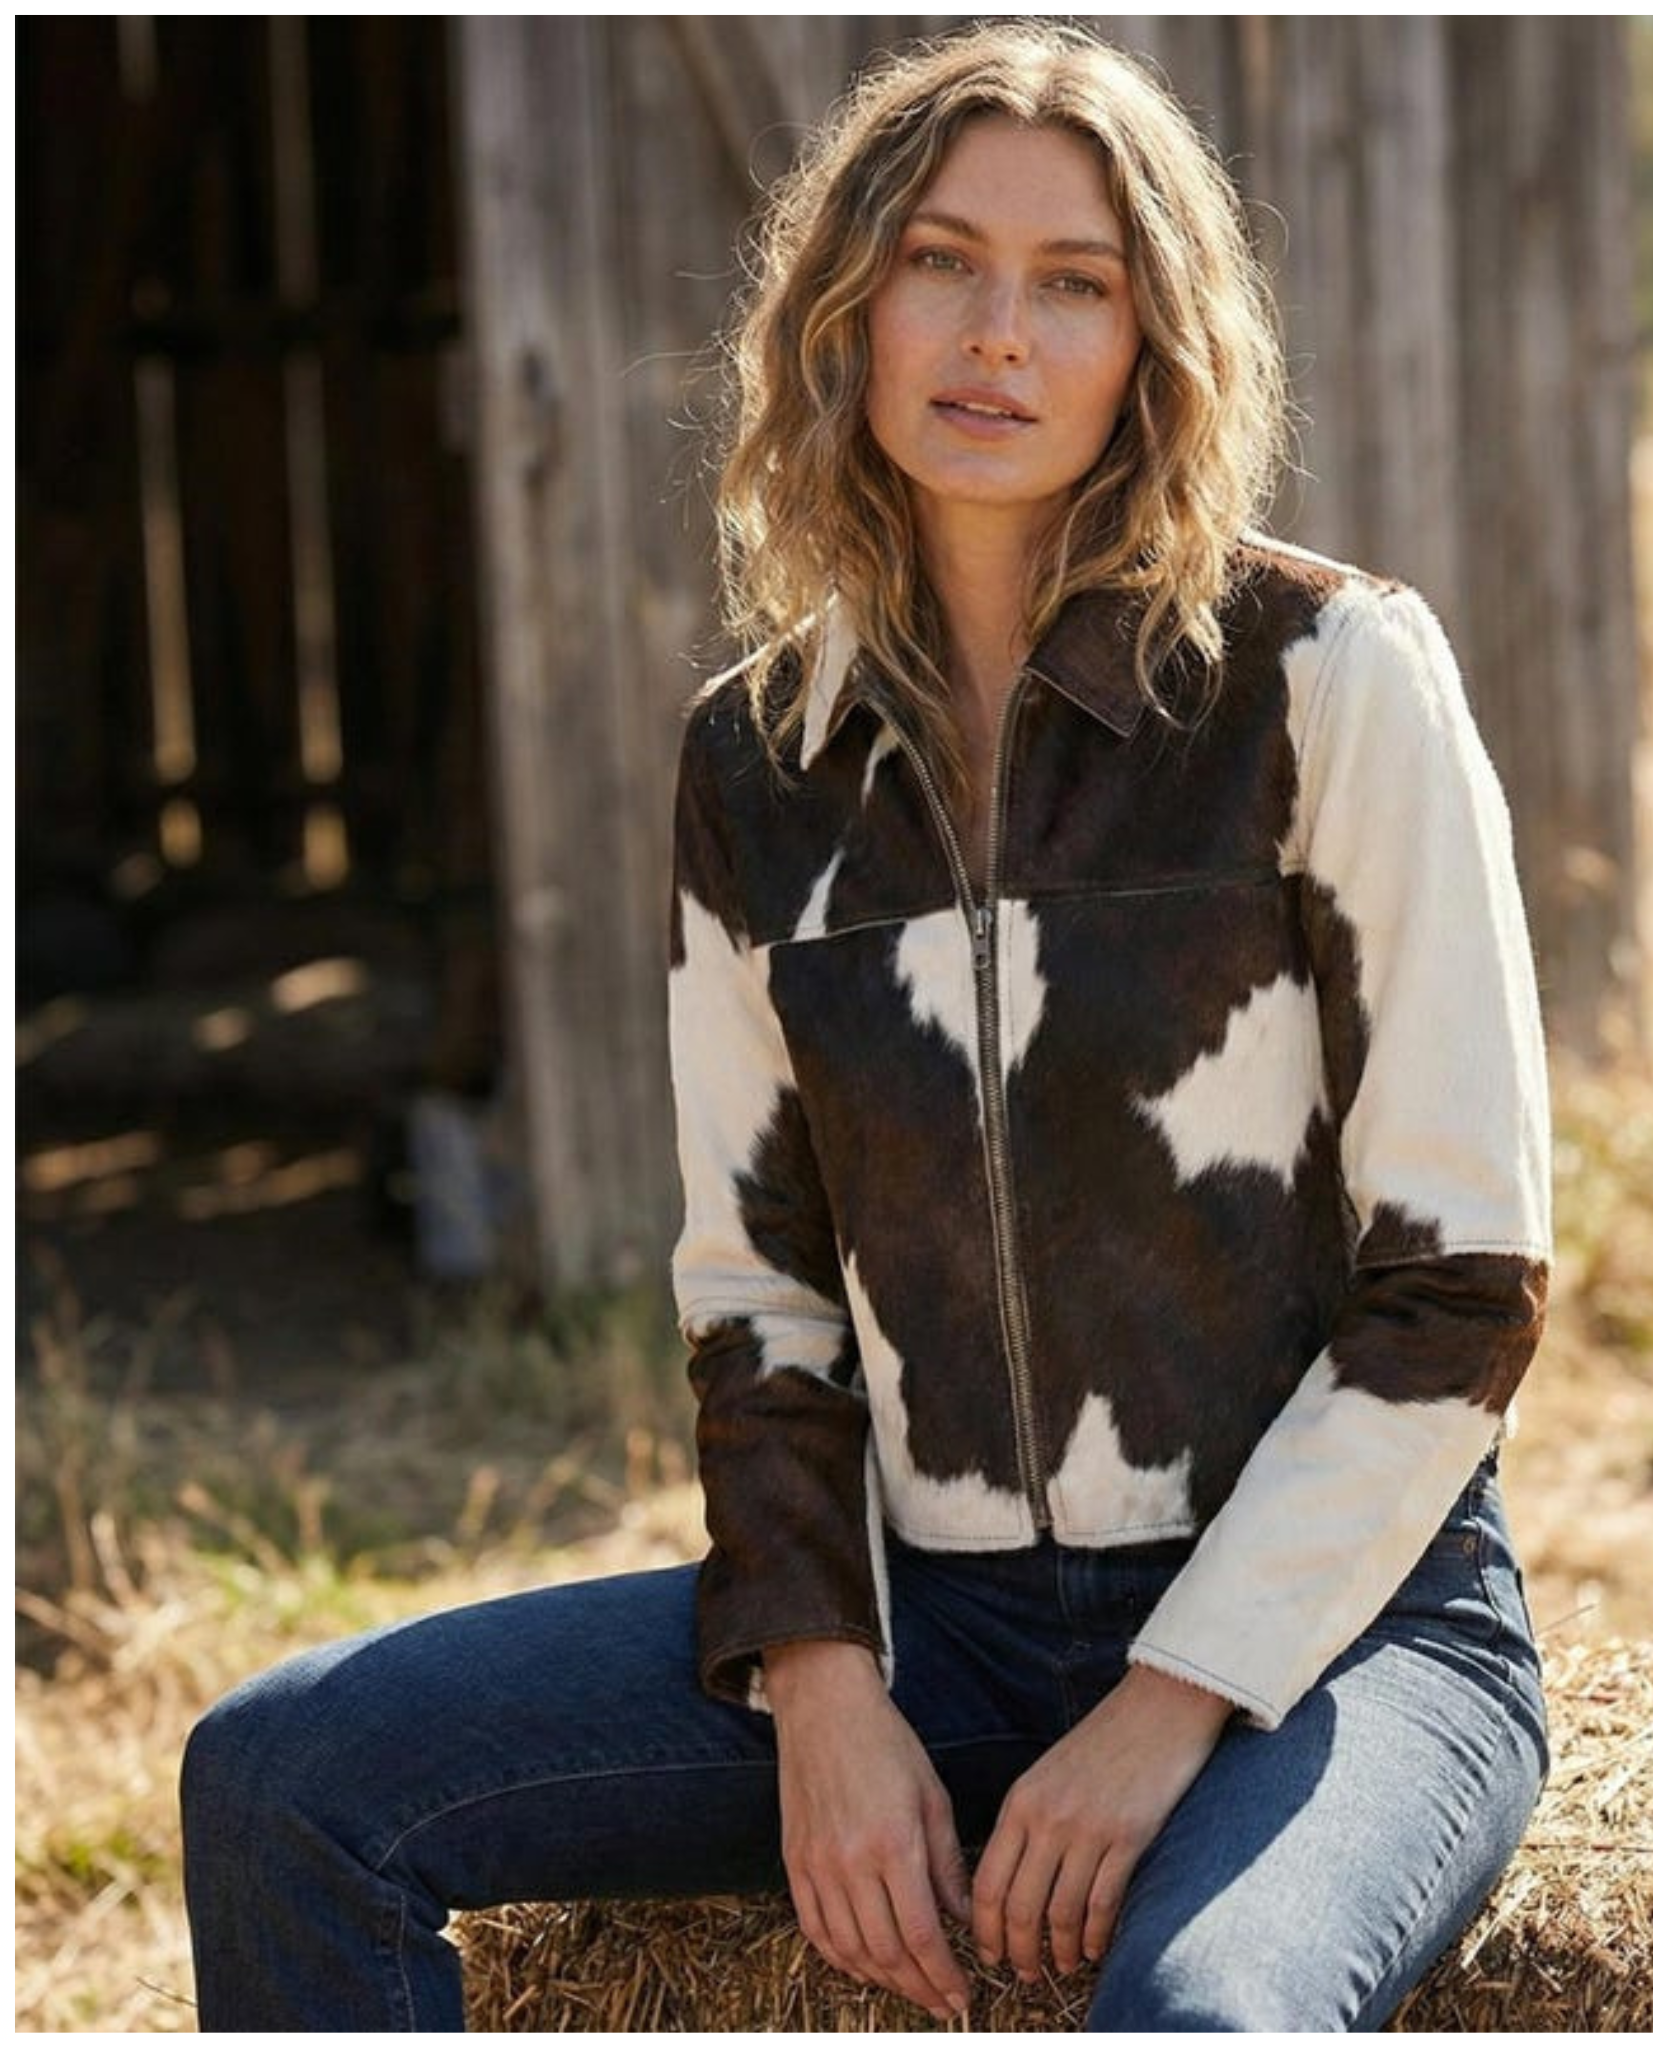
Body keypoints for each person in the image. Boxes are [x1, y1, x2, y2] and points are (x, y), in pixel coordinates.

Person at [181, 22, 1551, 2031]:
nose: (996, 331)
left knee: (1198, 2018)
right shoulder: (761, 754)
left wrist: (1168, 1705)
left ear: (1151, 344)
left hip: (1338, 1639)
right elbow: (759, 1295)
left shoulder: (1330, 677)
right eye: (939, 260)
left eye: (1072, 281)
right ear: (847, 308)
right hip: (937, 1624)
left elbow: (1466, 1290)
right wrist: (816, 1679)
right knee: (286, 1776)